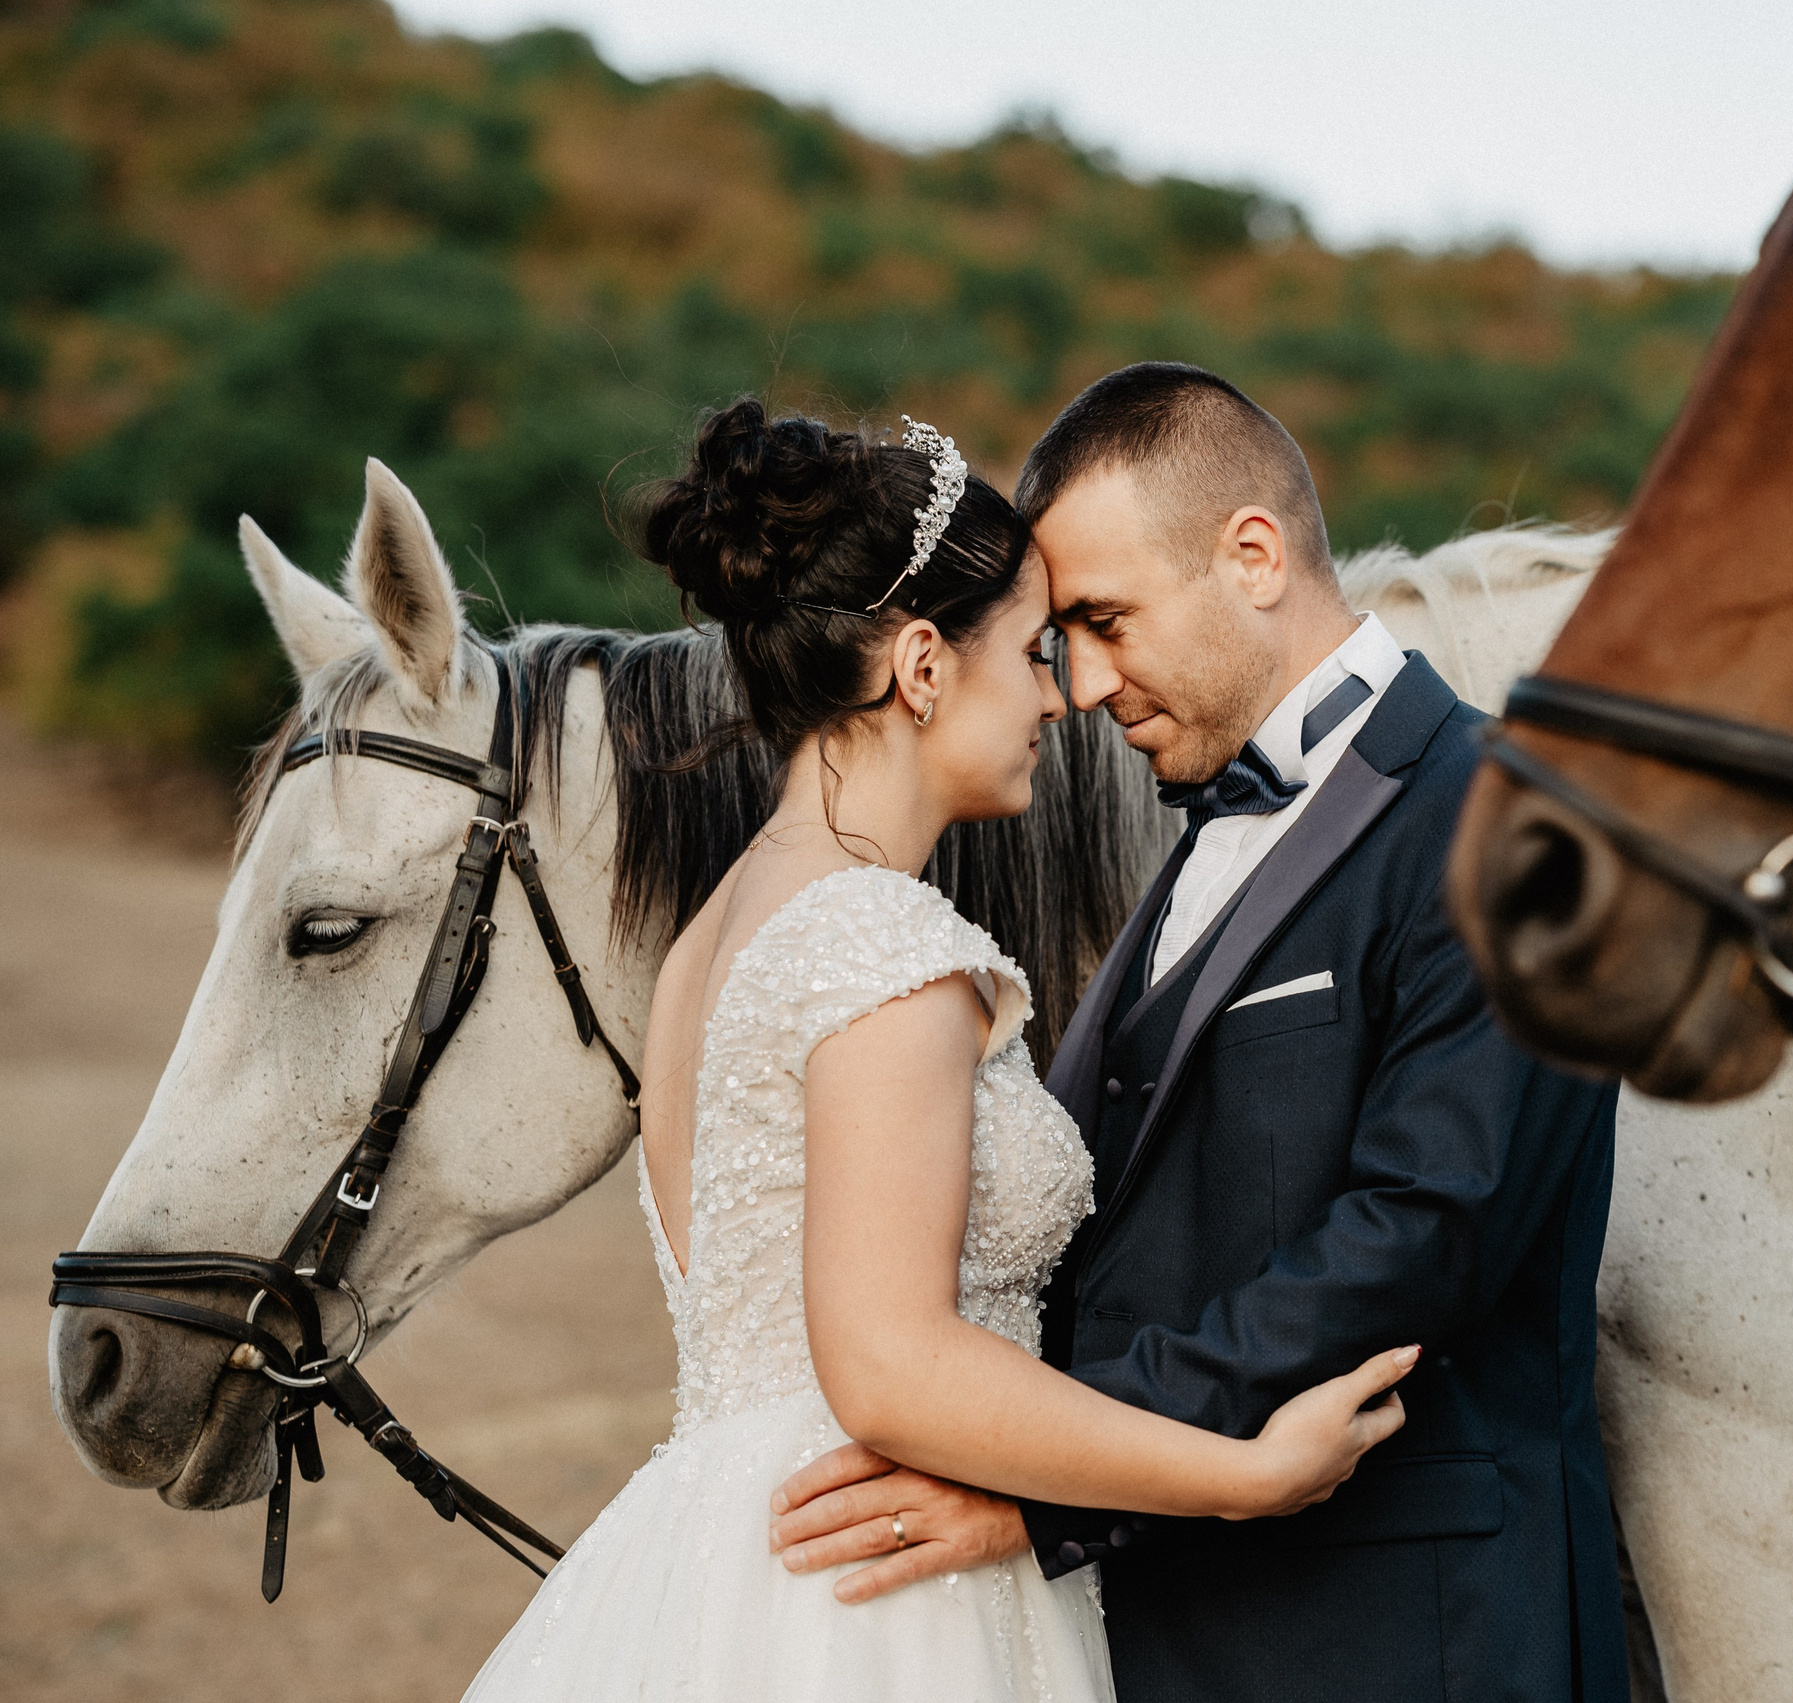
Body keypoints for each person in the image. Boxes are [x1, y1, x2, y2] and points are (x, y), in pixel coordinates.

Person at [463, 399, 1415, 1702]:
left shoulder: (718, 937)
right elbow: (892, 1364)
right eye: (1032, 652)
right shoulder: (881, 944)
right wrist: (1237, 1473)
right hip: (884, 1607)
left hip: (731, 1557)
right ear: (920, 666)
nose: (1062, 695)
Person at [770, 365, 1631, 1702]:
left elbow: (1420, 1236)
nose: (1090, 684)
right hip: (1172, 1623)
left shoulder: (1522, 825)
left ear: (1253, 555)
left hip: (1408, 1631)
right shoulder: (1197, 843)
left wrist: (1052, 1490)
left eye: (1109, 621)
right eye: (1064, 639)